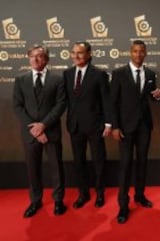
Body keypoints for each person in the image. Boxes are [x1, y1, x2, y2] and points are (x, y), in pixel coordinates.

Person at [110, 40, 160, 224]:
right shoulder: (118, 74)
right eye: (135, 51)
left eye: (141, 51)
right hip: (124, 128)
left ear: (145, 53)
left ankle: (139, 195)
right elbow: (112, 103)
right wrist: (115, 126)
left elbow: (150, 98)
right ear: (130, 53)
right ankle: (123, 206)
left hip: (144, 127)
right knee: (125, 165)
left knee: (142, 162)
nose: (138, 54)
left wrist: (156, 96)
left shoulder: (150, 74)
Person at [13, 45, 67, 217]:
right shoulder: (20, 79)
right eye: (32, 56)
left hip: (51, 131)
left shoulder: (57, 80)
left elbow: (60, 105)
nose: (36, 59)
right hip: (30, 134)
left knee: (56, 167)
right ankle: (35, 201)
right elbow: (18, 106)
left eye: (40, 56)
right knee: (33, 169)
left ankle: (58, 201)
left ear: (47, 59)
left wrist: (43, 125)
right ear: (28, 58)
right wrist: (35, 129)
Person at [63, 41, 111, 209]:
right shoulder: (67, 74)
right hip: (75, 126)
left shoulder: (99, 74)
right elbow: (65, 101)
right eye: (73, 52)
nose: (76, 56)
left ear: (89, 54)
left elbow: (107, 101)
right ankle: (83, 194)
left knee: (99, 161)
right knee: (79, 162)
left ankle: (99, 193)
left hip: (95, 125)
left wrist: (108, 124)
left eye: (80, 53)